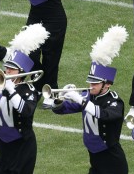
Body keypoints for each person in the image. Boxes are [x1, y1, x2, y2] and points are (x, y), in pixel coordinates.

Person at [52, 25, 129, 174]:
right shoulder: (87, 96)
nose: (90, 85)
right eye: (90, 81)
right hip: (94, 157)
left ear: (106, 85)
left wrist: (80, 100)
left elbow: (105, 115)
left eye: (95, 83)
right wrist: (59, 98)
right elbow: (60, 110)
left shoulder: (114, 101)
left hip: (112, 161)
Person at [0, 24, 48, 174]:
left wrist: (11, 90)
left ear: (21, 72)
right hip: (4, 146)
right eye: (6, 68)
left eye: (11, 69)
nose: (7, 71)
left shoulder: (29, 90)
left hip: (23, 148)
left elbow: (26, 111)